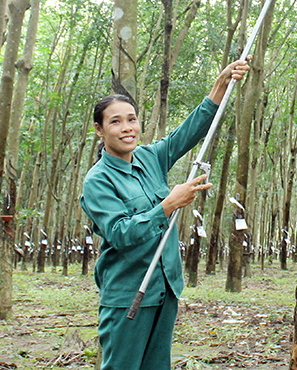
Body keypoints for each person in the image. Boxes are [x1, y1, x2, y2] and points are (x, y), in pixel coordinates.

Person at [81, 57, 250, 370]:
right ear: (99, 130)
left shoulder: (149, 158)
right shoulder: (98, 180)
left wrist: (221, 84)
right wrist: (168, 204)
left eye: (131, 119)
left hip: (165, 288)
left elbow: (187, 134)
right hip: (128, 293)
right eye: (115, 122)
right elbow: (120, 234)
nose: (127, 128)